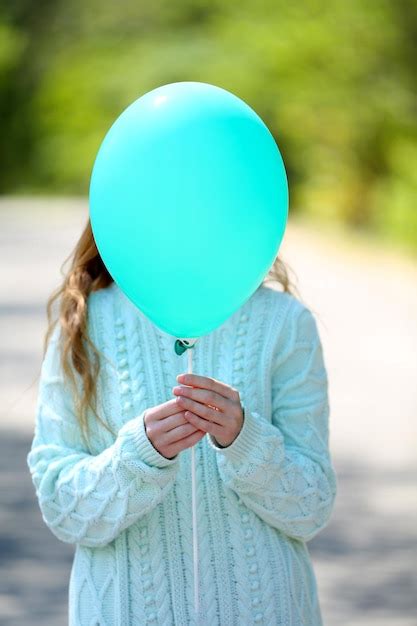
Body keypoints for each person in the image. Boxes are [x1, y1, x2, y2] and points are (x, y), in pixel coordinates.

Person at [27, 218, 338, 626]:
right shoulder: (85, 323)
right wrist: (137, 458)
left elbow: (311, 508)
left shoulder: (285, 322)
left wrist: (246, 441)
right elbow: (60, 505)